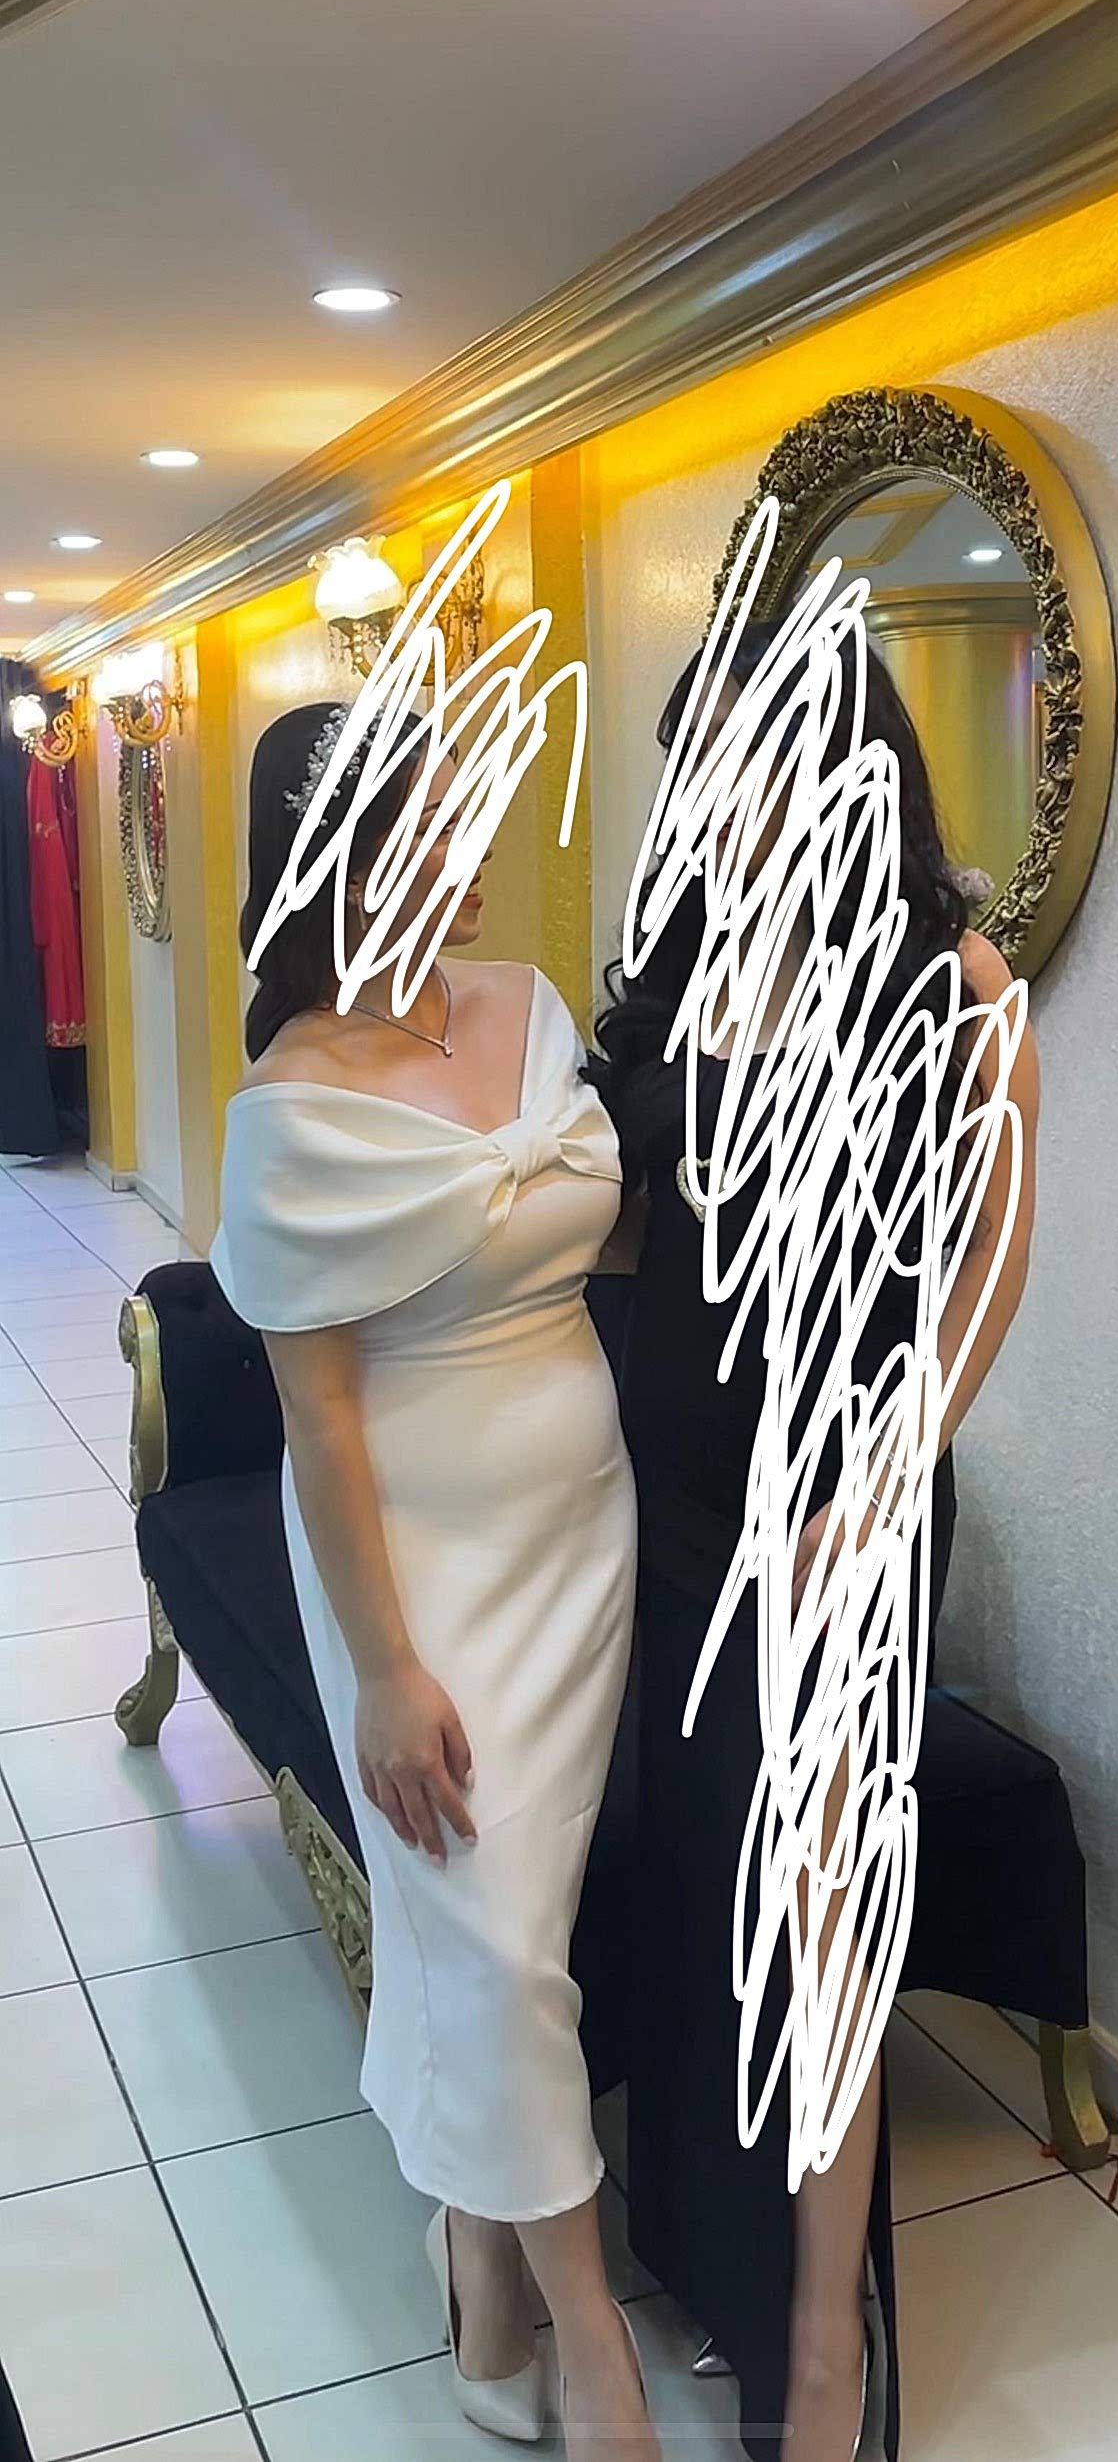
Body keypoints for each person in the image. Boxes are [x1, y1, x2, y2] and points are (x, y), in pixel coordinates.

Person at [590, 623, 1039, 2462]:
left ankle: (822, 2347)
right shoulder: (675, 967)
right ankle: (709, 2255)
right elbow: (628, 1241)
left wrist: (889, 1471)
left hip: (841, 1506)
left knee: (818, 1924)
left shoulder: (953, 980)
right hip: (663, 1503)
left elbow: (988, 1254)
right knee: (700, 1889)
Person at [211, 702, 657, 2461]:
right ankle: (595, 2342)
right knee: (494, 1938)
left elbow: (612, 1231)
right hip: (418, 1577)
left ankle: (479, 2260)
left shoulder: (525, 1005)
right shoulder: (287, 1101)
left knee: (505, 1933)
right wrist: (386, 1669)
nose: (468, 853)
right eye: (429, 825)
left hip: (579, 1535)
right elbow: (317, 1422)